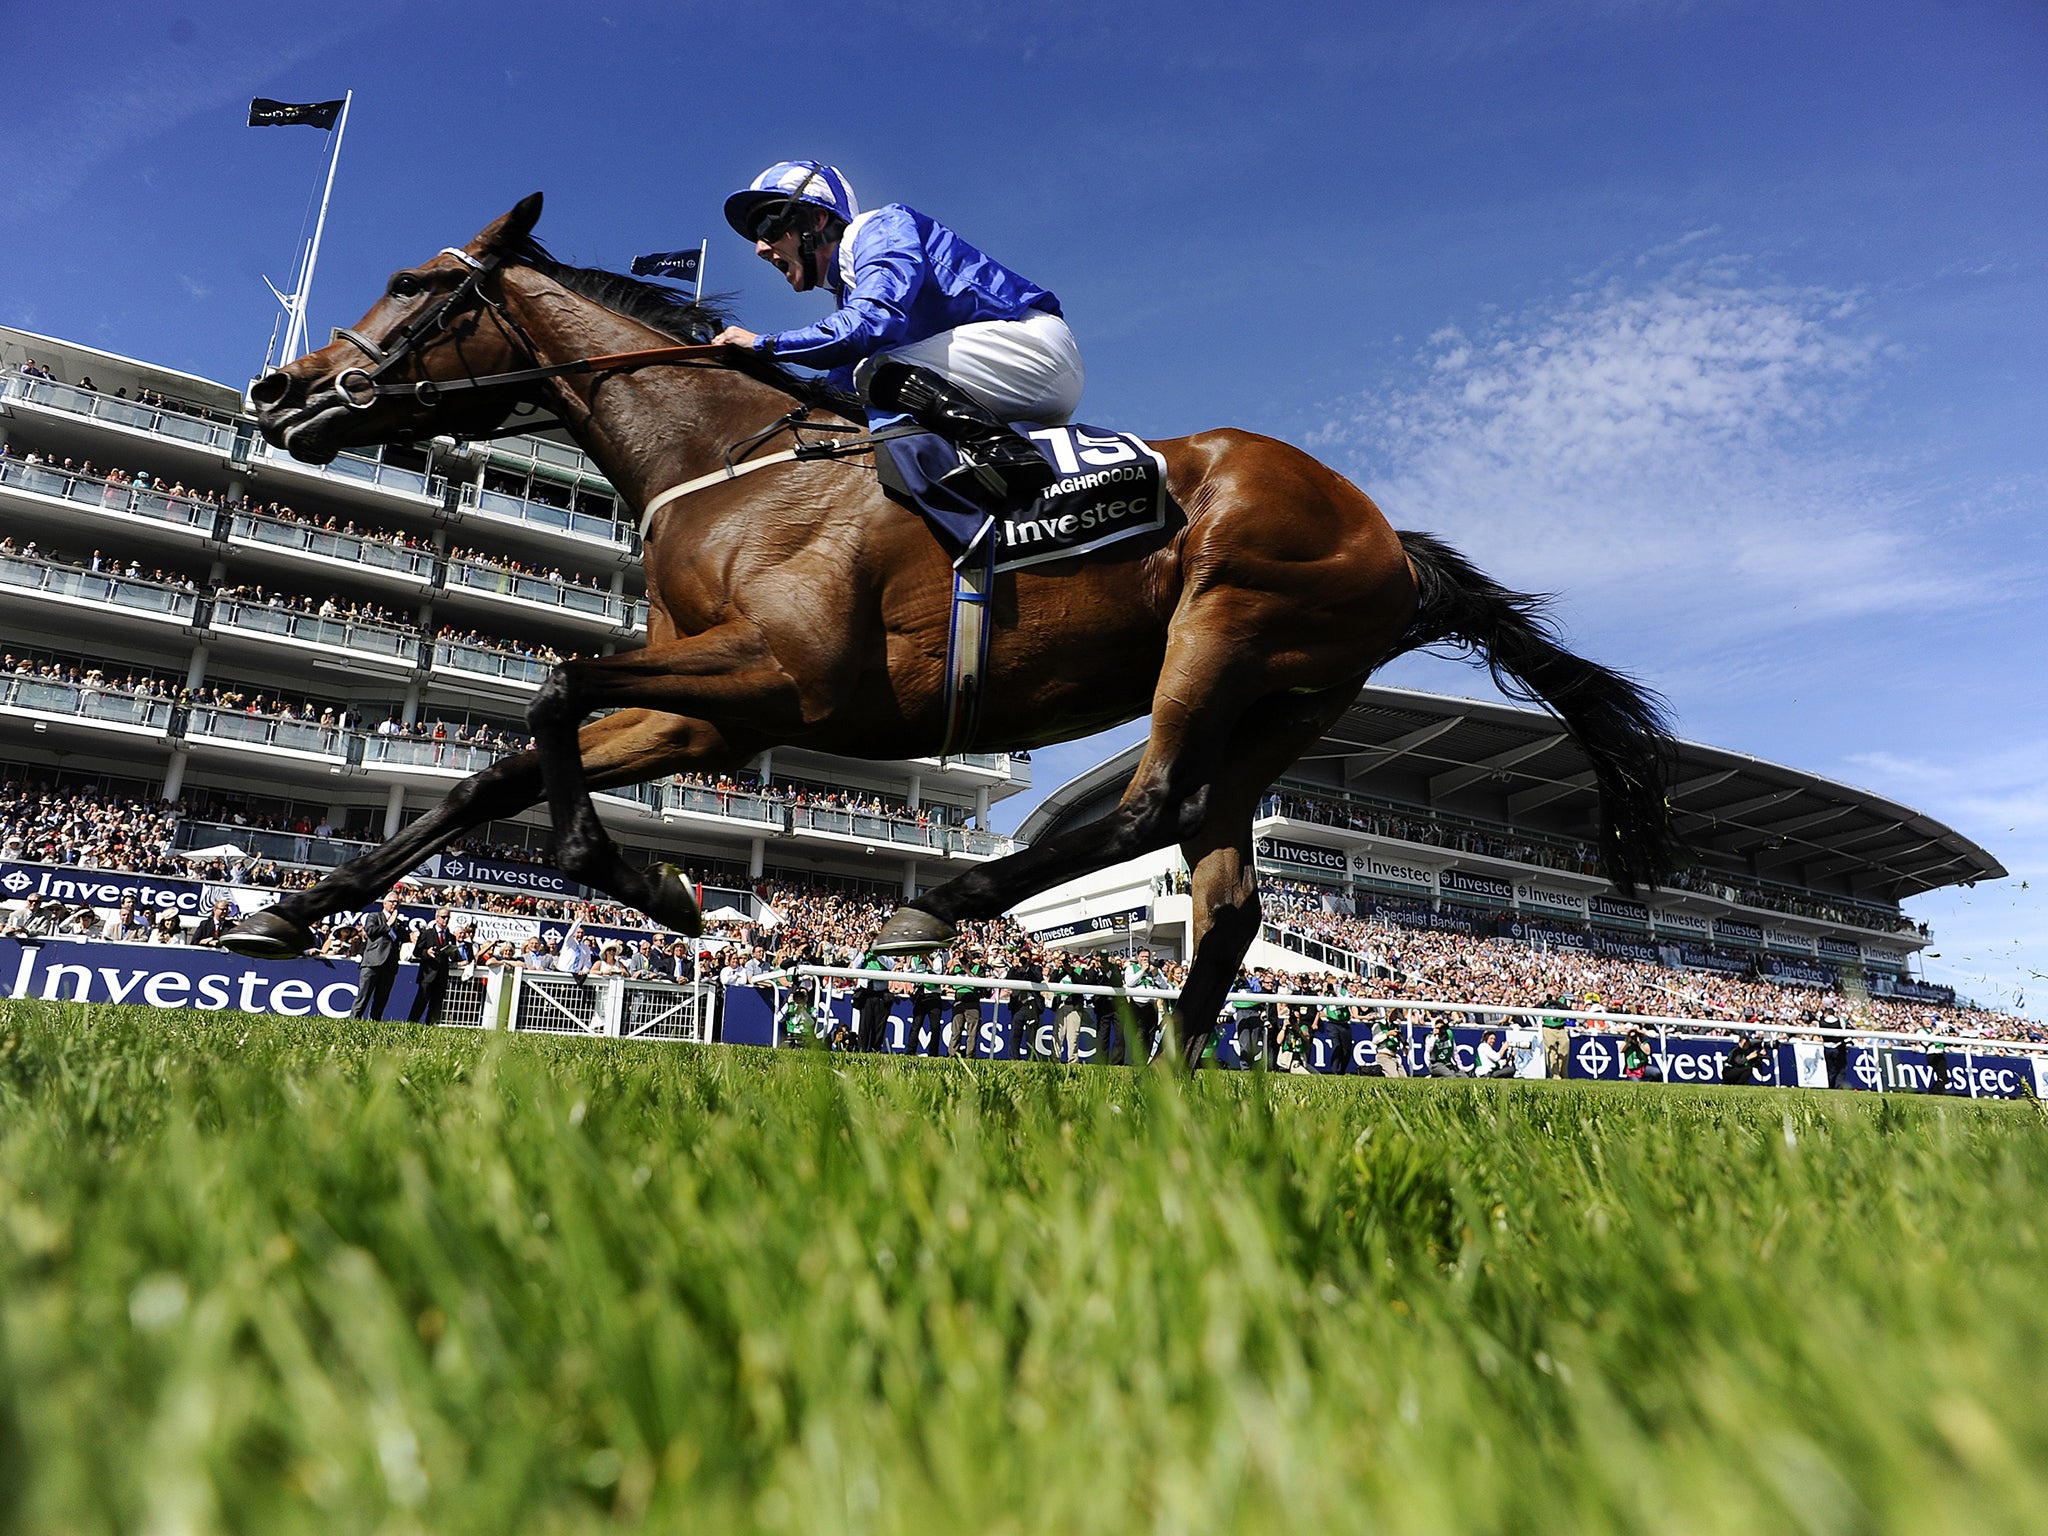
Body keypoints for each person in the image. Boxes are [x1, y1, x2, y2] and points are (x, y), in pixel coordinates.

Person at [713, 160, 1081, 507]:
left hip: (1034, 351)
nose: (760, 247)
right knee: (862, 392)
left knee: (873, 372)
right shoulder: (849, 290)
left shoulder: (881, 227)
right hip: (1006, 378)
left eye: (767, 227)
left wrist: (763, 344)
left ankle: (1005, 453)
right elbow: (836, 392)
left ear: (818, 218)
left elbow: (872, 323)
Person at [408, 907, 468, 1025]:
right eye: (443, 917)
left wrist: (452, 954)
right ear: (436, 918)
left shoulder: (450, 937)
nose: (446, 920)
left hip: (441, 975)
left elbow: (455, 957)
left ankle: (430, 1027)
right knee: (420, 1002)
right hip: (427, 975)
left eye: (448, 918)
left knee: (436, 1005)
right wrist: (427, 952)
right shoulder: (427, 933)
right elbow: (416, 952)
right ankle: (411, 1024)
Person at [353, 894, 408, 1021]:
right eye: (392, 902)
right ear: (384, 903)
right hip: (373, 961)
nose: (394, 905)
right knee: (364, 995)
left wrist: (398, 926)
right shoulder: (374, 916)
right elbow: (371, 931)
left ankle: (375, 1020)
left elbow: (404, 937)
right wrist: (388, 924)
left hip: (390, 964)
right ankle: (354, 1019)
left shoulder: (398, 922)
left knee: (382, 997)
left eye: (397, 902)